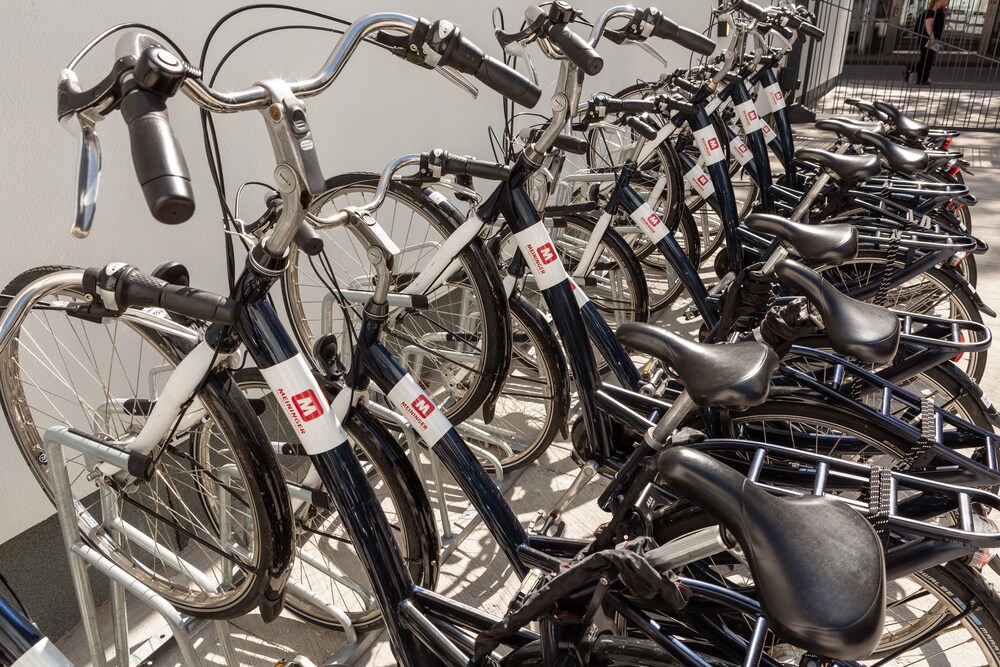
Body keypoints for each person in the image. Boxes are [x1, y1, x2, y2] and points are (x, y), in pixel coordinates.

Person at [906, 0, 949, 84]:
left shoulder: (937, 11)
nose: (947, 2)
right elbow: (928, 25)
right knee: (926, 59)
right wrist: (932, 38)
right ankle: (917, 75)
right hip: (927, 40)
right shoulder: (930, 12)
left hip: (931, 40)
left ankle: (922, 77)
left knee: (929, 59)